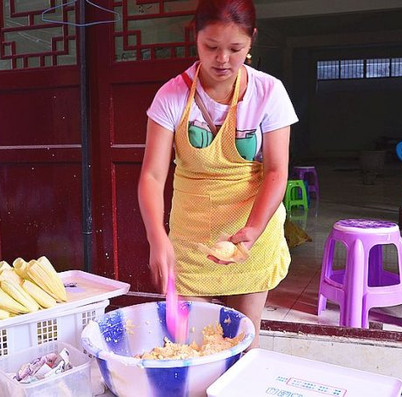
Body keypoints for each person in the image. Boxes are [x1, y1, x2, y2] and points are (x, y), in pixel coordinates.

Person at [138, 0, 298, 349]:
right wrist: (156, 237)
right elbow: (152, 175)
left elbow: (276, 169)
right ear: (194, 38)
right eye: (211, 47)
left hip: (251, 229)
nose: (222, 59)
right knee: (192, 344)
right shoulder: (171, 96)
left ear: (251, 41)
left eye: (235, 48)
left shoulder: (269, 92)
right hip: (192, 236)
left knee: (243, 339)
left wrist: (253, 230)